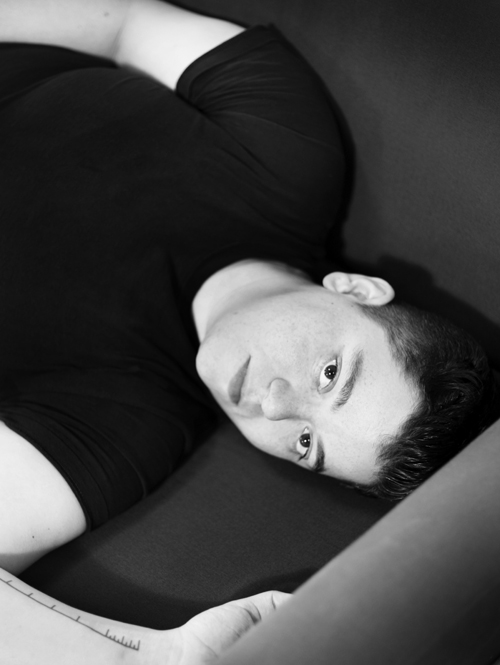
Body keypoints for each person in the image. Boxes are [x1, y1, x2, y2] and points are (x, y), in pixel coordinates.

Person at [0, 0, 498, 662]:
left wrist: (146, 654)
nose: (275, 407)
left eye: (304, 443)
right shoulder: (288, 159)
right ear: (356, 291)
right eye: (331, 375)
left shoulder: (125, 423)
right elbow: (126, 23)